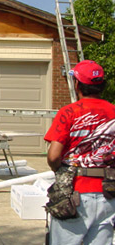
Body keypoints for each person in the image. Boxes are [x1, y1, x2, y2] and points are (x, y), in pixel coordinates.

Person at [45, 60, 115, 244]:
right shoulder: (113, 111)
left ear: (77, 84)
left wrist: (59, 169)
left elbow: (53, 156)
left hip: (76, 194)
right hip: (108, 193)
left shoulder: (69, 112)